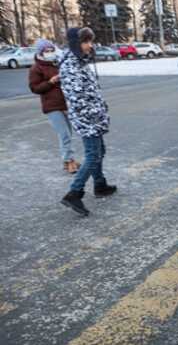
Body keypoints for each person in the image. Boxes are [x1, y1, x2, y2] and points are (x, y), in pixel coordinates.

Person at [59, 28, 117, 216]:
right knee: (93, 155)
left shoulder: (81, 62)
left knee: (100, 151)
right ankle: (74, 192)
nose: (89, 46)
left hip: (94, 117)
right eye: (86, 42)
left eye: (90, 41)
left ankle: (100, 184)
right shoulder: (70, 66)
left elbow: (90, 91)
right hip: (87, 119)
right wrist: (95, 113)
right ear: (76, 43)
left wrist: (101, 107)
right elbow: (77, 98)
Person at [29, 38, 80, 174]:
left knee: (68, 133)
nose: (50, 52)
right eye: (47, 51)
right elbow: (34, 88)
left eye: (52, 50)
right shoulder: (36, 68)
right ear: (41, 52)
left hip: (65, 103)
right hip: (51, 106)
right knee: (64, 134)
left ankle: (69, 159)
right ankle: (69, 161)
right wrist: (50, 82)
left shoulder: (57, 63)